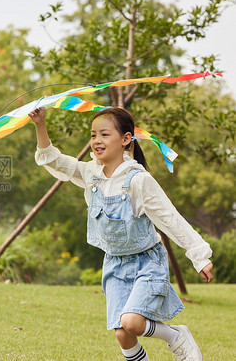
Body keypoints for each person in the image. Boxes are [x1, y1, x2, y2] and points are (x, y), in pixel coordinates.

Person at [29, 106, 214, 361]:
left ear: (126, 139)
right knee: (123, 334)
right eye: (93, 135)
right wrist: (40, 124)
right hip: (114, 264)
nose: (97, 141)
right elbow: (53, 160)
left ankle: (177, 336)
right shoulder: (91, 174)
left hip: (146, 262)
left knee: (133, 323)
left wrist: (199, 255)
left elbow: (171, 219)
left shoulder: (138, 181)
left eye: (104, 134)